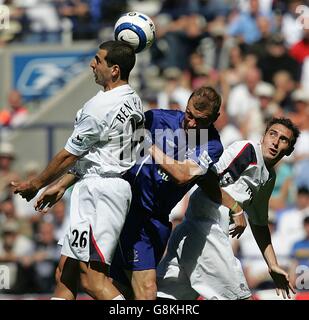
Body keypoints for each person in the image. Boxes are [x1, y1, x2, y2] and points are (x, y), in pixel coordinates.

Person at [35, 86, 243, 300]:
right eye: (189, 115)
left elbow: (185, 176)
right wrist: (64, 183)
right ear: (186, 105)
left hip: (155, 221)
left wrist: (149, 145)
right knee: (78, 275)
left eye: (201, 120)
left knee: (119, 288)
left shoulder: (211, 144)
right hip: (124, 207)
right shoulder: (156, 119)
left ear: (215, 118)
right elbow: (109, 155)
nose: (192, 123)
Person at [11, 40, 144, 300]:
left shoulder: (100, 108)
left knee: (93, 281)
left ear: (114, 69)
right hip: (101, 185)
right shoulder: (132, 99)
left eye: (98, 59)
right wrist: (61, 185)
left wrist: (36, 183)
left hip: (101, 193)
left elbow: (68, 155)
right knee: (65, 274)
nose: (91, 64)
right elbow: (97, 155)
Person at [156, 117, 299, 300]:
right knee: (239, 298)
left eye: (283, 139)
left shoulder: (269, 177)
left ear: (289, 150)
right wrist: (235, 207)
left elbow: (260, 223)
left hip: (193, 234)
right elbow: (206, 178)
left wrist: (272, 264)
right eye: (273, 134)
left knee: (167, 300)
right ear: (263, 136)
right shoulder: (247, 151)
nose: (276, 142)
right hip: (206, 230)